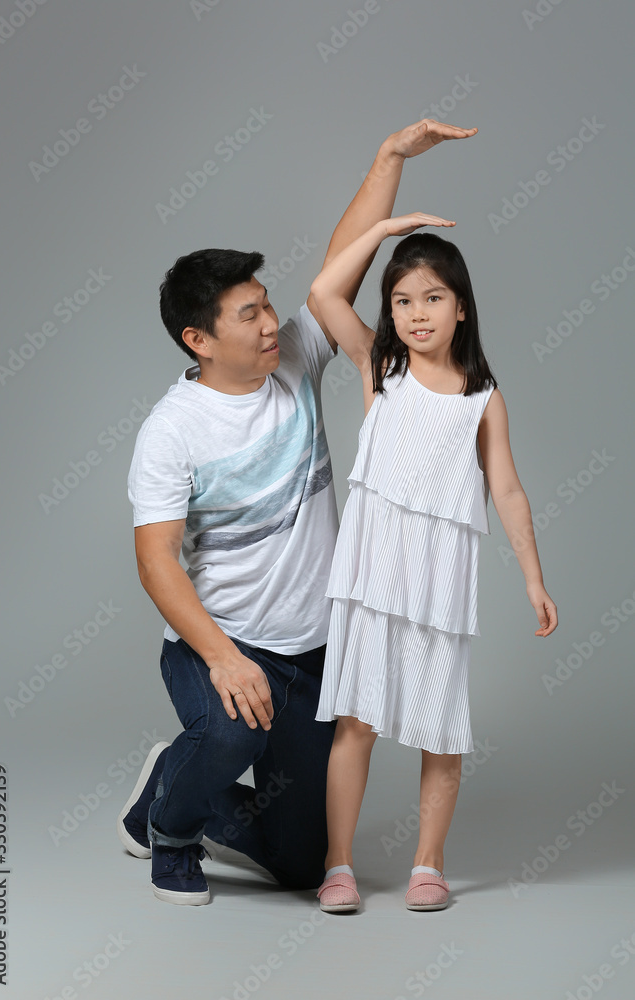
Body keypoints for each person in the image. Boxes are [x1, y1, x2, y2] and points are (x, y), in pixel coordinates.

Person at [116, 119, 480, 905]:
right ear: (199, 340)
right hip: (223, 642)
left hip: (316, 654)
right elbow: (155, 560)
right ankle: (170, 831)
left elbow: (336, 273)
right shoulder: (170, 432)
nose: (269, 322)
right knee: (230, 731)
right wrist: (221, 656)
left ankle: (167, 784)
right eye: (246, 315)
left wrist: (388, 160)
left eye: (266, 304)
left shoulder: (295, 363)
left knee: (305, 863)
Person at [309, 214, 558, 913]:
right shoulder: (381, 368)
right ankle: (340, 866)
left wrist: (534, 578)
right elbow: (326, 293)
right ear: (389, 311)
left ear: (462, 306)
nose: (418, 314)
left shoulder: (483, 398)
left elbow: (505, 488)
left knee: (439, 728)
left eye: (434, 297)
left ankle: (429, 864)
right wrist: (387, 227)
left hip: (440, 579)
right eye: (402, 300)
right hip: (372, 575)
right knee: (356, 721)